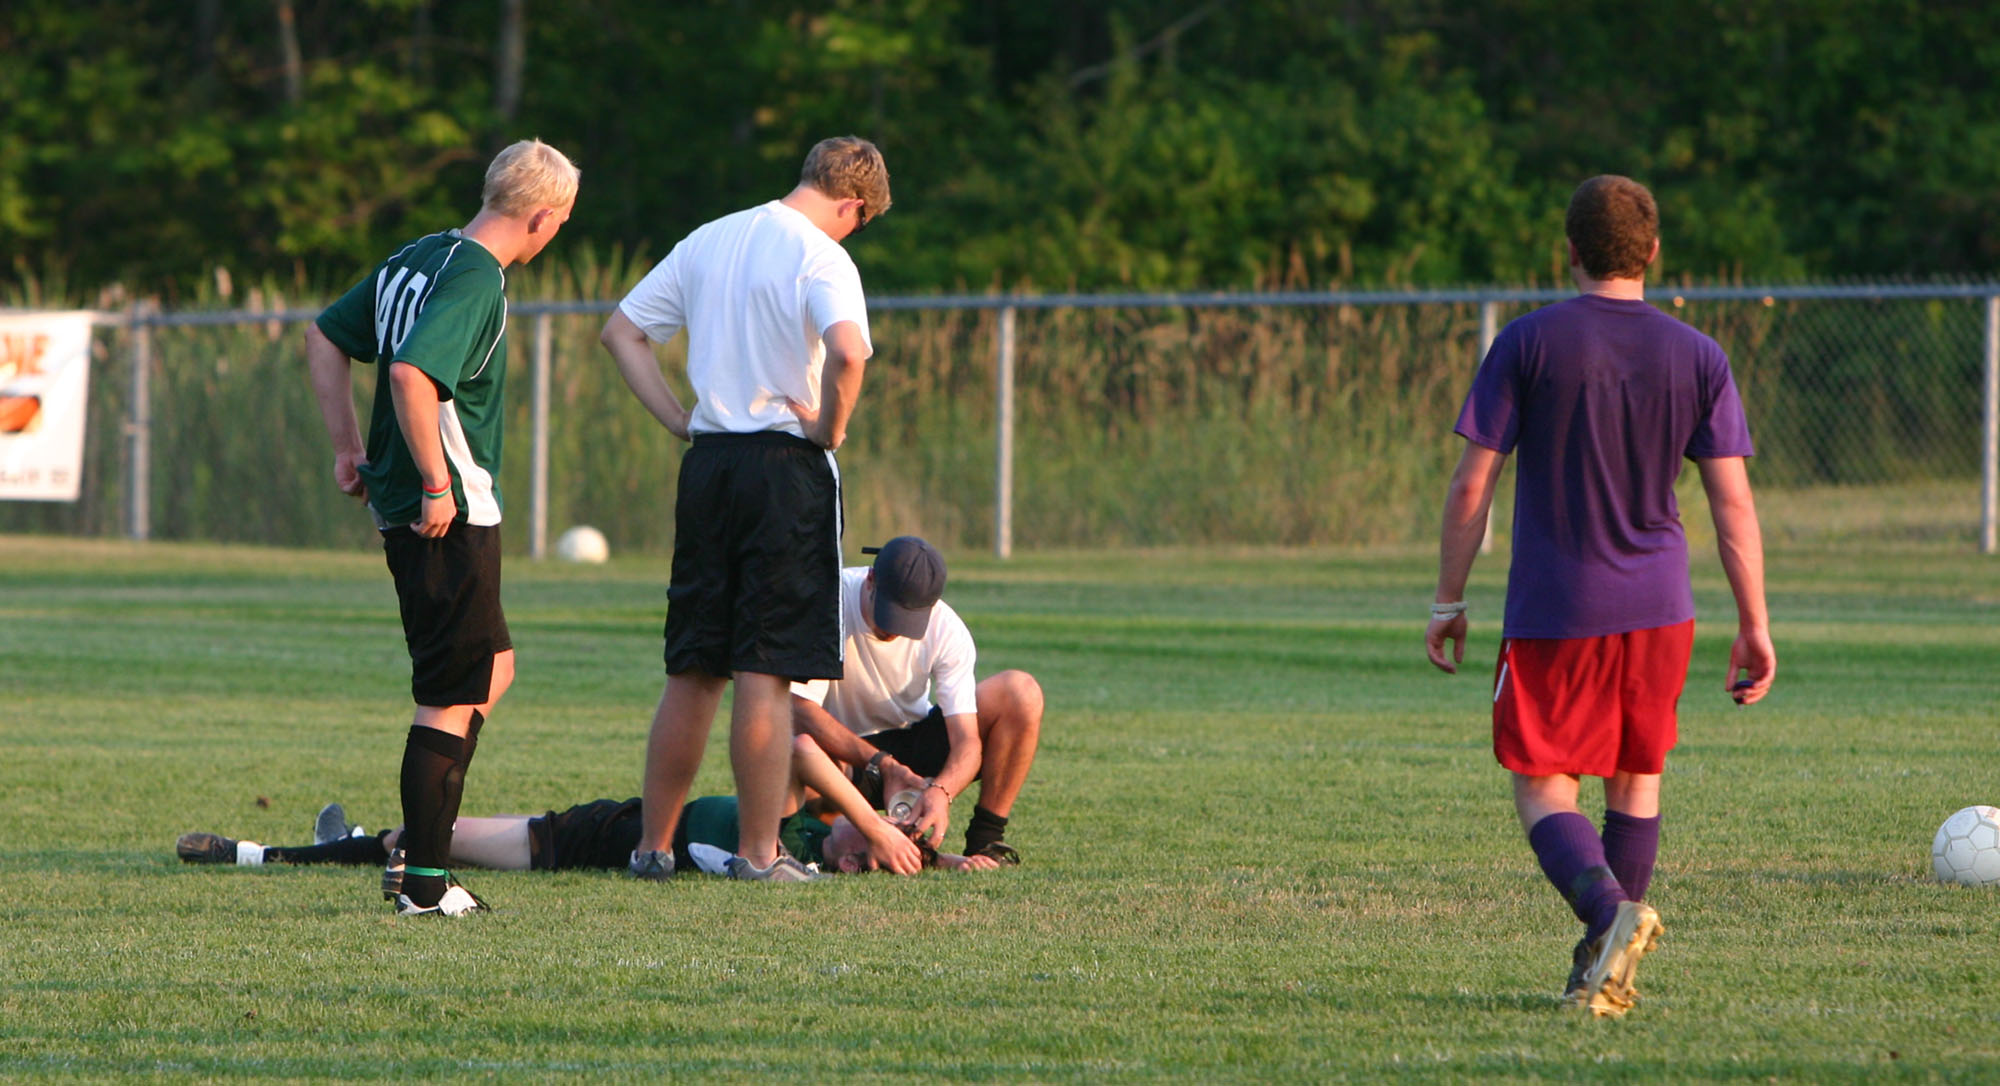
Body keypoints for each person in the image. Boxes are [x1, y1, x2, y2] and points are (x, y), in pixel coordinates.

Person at [1424, 175, 1775, 1018]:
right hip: (1662, 607)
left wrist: (1447, 600)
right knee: (1635, 775)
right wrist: (1755, 624)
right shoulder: (1699, 355)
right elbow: (1733, 505)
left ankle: (1610, 913)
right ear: (1653, 251)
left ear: (1570, 251)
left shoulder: (1529, 342)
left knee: (1544, 782)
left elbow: (1474, 487)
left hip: (1557, 607)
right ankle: (1602, 965)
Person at [598, 137, 889, 883]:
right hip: (783, 472)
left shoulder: (710, 239)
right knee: (764, 671)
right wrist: (831, 427)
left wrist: (677, 419)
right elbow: (851, 352)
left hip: (710, 468)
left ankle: (651, 847)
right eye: (861, 221)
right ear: (853, 204)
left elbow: (622, 332)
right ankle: (760, 855)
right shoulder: (823, 257)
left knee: (693, 667)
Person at [304, 139, 579, 916]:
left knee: (491, 668)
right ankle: (423, 882)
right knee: (450, 693)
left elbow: (323, 335)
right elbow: (409, 374)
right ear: (540, 217)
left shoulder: (420, 254)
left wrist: (347, 452)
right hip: (444, 511)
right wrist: (433, 482)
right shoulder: (476, 278)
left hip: (416, 499)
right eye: (561, 220)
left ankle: (423, 847)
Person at [175, 735, 997, 881]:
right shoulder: (798, 814)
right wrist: (888, 806)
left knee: (433, 841)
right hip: (607, 828)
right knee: (429, 838)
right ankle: (294, 851)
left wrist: (941, 857)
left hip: (598, 846)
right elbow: (796, 744)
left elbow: (900, 860)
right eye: (870, 847)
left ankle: (272, 854)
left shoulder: (814, 853)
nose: (860, 860)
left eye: (866, 867)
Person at [790, 536, 1042, 864]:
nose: (894, 630)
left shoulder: (947, 628)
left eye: (909, 620)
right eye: (889, 614)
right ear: (870, 580)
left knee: (1021, 693)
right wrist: (882, 764)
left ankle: (986, 841)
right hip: (842, 755)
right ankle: (838, 840)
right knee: (798, 750)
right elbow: (799, 710)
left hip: (911, 740)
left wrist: (941, 791)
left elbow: (966, 743)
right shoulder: (826, 606)